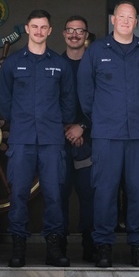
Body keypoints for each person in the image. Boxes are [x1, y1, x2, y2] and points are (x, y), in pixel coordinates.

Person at [77, 1, 139, 268]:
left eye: (131, 17)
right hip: (107, 135)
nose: (126, 21)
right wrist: (101, 117)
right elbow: (86, 92)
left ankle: (138, 247)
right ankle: (103, 247)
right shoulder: (97, 50)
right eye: (121, 16)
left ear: (136, 22)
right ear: (113, 20)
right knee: (105, 192)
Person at [0, 10, 76, 268]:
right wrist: (17, 124)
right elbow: (5, 102)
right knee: (18, 194)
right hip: (21, 140)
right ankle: (18, 248)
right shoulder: (12, 63)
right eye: (35, 27)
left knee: (53, 195)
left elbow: (68, 101)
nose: (39, 31)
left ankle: (53, 249)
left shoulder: (60, 64)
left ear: (50, 30)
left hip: (52, 139)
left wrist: (56, 123)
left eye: (44, 27)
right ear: (27, 29)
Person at [60, 15, 95, 262]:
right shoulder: (54, 63)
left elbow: (103, 103)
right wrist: (67, 130)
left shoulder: (94, 65)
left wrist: (81, 127)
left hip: (90, 141)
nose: (75, 34)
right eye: (70, 30)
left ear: (86, 36)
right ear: (63, 34)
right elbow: (47, 103)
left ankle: (90, 246)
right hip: (58, 142)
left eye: (79, 31)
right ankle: (58, 247)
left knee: (89, 195)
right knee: (58, 194)